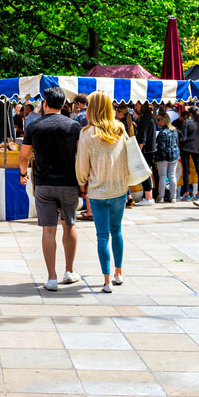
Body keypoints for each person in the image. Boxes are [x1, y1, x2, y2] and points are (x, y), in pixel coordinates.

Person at [19, 85, 81, 291]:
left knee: (48, 229)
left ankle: (52, 277)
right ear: (63, 105)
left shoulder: (33, 127)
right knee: (69, 225)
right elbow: (81, 156)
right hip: (69, 183)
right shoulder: (74, 126)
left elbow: (24, 156)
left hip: (44, 183)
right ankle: (69, 271)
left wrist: (23, 173)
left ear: (45, 103)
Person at [75, 91, 133, 293]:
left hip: (98, 189)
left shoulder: (86, 133)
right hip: (119, 188)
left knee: (102, 235)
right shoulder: (119, 128)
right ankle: (119, 271)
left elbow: (82, 165)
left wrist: (82, 182)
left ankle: (107, 280)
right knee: (116, 230)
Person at [155, 112, 181, 203]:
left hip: (163, 156)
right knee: (172, 175)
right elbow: (177, 142)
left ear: (164, 120)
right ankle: (173, 197)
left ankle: (161, 197)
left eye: (158, 119)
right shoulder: (174, 130)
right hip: (174, 155)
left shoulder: (162, 132)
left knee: (162, 176)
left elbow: (160, 146)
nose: (157, 121)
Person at [134, 103, 157, 205]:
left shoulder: (145, 118)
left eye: (137, 104)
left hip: (145, 150)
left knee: (144, 173)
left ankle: (148, 197)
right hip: (151, 149)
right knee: (146, 172)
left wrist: (138, 152)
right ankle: (149, 197)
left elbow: (142, 138)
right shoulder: (150, 117)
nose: (135, 106)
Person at [178, 108, 199, 200]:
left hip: (186, 148)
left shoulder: (186, 122)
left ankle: (187, 194)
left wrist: (179, 133)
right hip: (197, 148)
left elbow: (183, 138)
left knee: (186, 170)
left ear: (190, 114)